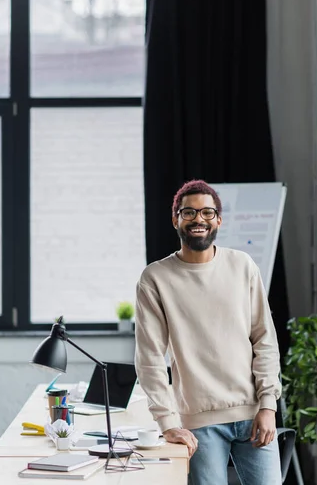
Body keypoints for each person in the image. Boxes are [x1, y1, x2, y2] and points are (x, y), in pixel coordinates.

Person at [135, 179, 282, 485]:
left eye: (206, 212)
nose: (198, 219)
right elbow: (149, 359)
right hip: (198, 426)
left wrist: (268, 404)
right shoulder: (155, 278)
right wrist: (167, 422)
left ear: (218, 219)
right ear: (176, 219)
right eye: (188, 213)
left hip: (254, 415)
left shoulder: (242, 265)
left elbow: (264, 339)